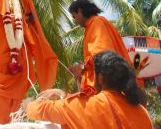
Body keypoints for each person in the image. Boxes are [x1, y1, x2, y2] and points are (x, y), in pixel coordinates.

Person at [25, 50, 153, 128]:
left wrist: (30, 104)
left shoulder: (88, 105)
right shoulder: (142, 112)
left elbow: (44, 110)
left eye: (93, 73)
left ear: (100, 78)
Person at [69, 0, 132, 93]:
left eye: (74, 16)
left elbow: (102, 58)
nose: (75, 21)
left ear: (80, 11)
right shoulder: (92, 25)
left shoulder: (97, 23)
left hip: (106, 89)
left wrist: (82, 68)